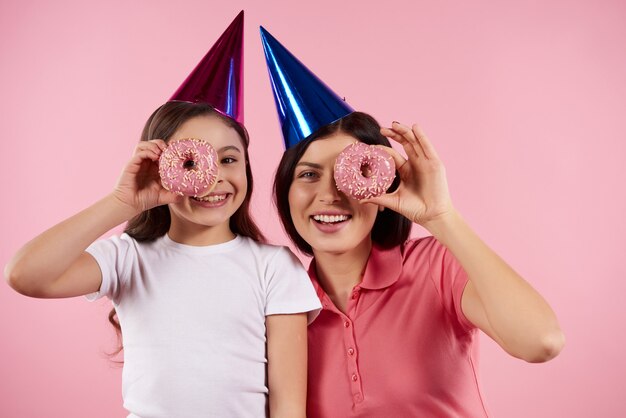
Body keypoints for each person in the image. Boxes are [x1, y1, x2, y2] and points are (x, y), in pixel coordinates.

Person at [5, 14, 320, 418]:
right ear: (161, 168)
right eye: (193, 162)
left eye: (229, 159)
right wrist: (123, 202)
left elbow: (288, 404)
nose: (216, 177)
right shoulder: (128, 258)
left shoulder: (273, 268)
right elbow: (25, 274)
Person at [261, 29, 565, 417]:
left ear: (382, 186)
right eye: (308, 175)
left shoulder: (435, 267)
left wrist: (442, 217)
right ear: (286, 194)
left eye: (349, 172)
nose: (330, 195)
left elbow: (541, 341)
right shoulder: (286, 306)